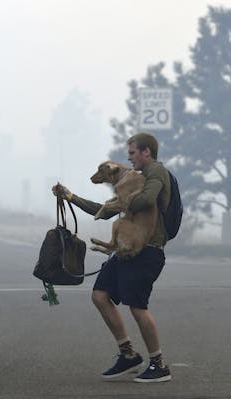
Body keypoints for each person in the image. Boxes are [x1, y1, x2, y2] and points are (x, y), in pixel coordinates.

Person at [52, 133, 172, 383]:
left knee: (138, 306)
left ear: (146, 152)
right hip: (126, 249)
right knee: (100, 295)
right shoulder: (131, 180)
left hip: (148, 249)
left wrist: (121, 200)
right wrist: (70, 197)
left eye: (132, 153)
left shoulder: (155, 172)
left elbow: (147, 200)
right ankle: (128, 355)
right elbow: (103, 212)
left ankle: (159, 365)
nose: (129, 158)